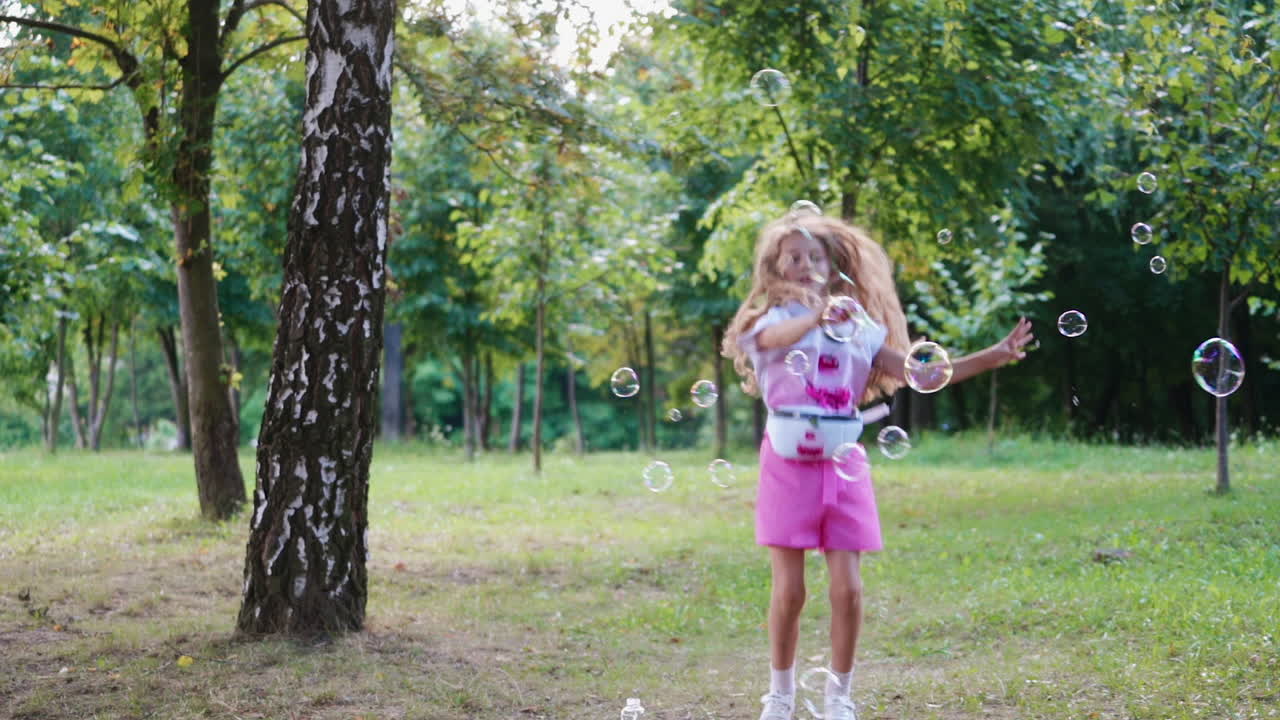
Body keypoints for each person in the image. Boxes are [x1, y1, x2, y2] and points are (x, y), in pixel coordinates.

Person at [721, 214, 1034, 720]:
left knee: (848, 589)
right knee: (791, 591)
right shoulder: (766, 323)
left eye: (815, 258)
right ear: (775, 264)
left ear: (832, 266)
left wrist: (990, 357)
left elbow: (920, 372)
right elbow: (781, 342)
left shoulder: (856, 326)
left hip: (843, 462)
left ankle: (838, 696)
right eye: (794, 257)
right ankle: (779, 695)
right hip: (786, 464)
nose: (804, 265)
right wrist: (813, 318)